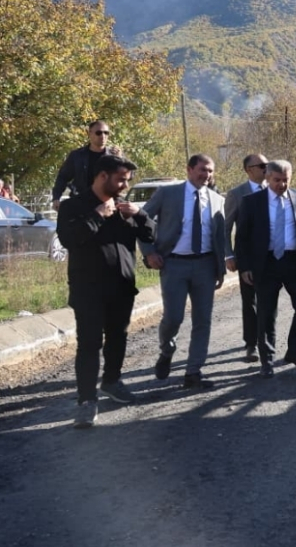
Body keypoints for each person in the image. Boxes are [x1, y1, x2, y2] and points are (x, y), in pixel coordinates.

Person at [55, 154, 156, 428]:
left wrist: (140, 215)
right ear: (102, 176)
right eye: (121, 179)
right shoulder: (73, 206)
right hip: (88, 290)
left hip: (121, 288)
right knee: (89, 344)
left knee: (117, 339)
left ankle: (112, 381)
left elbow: (151, 235)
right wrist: (98, 215)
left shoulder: (124, 207)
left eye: (127, 180)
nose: (125, 185)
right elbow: (69, 239)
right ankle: (87, 401)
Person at [140, 154, 228, 389]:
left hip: (205, 266)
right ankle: (166, 351)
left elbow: (219, 237)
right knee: (173, 317)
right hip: (174, 265)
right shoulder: (168, 193)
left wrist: (220, 269)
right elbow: (141, 220)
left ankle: (193, 372)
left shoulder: (217, 200)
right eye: (202, 170)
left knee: (203, 320)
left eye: (210, 171)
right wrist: (149, 252)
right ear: (189, 170)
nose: (206, 175)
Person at [231, 160, 296, 377]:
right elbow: (242, 238)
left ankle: (295, 353)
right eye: (277, 180)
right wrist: (245, 267)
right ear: (268, 178)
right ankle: (267, 361)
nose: (282, 185)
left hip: (295, 262)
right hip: (265, 263)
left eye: (286, 180)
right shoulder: (252, 202)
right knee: (266, 314)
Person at [224, 154, 269, 363]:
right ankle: (251, 344)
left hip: (272, 256)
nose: (266, 168)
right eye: (262, 165)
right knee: (250, 302)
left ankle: (266, 339)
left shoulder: (274, 189)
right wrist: (229, 254)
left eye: (267, 164)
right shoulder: (236, 194)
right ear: (249, 169)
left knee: (268, 300)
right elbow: (226, 227)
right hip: (247, 257)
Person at [52, 120, 113, 209]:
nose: (103, 136)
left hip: (106, 205)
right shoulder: (77, 156)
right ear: (89, 134)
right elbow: (63, 177)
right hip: (81, 204)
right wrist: (56, 198)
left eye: (106, 133)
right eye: (98, 133)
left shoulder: (114, 156)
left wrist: (121, 160)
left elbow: (129, 175)